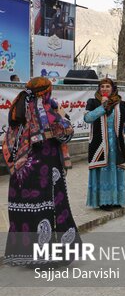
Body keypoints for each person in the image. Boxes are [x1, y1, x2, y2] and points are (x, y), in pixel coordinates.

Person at [2, 77, 80, 266]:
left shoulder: (18, 108)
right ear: (47, 91)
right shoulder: (47, 110)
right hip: (45, 167)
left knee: (25, 210)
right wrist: (63, 116)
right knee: (49, 207)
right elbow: (65, 132)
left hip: (22, 171)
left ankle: (23, 254)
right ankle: (49, 257)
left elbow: (10, 140)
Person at [85, 78, 125, 210]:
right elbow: (88, 118)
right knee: (102, 171)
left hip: (116, 145)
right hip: (98, 146)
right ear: (99, 89)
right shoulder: (92, 102)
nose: (105, 89)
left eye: (107, 86)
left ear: (112, 88)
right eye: (102, 86)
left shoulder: (121, 104)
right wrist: (103, 107)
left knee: (116, 171)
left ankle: (116, 200)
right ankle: (104, 201)